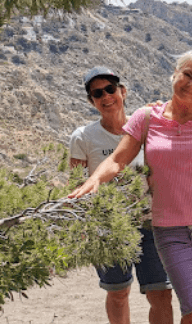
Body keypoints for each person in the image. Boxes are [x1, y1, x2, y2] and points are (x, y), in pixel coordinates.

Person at [69, 49, 192, 324]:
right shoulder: (145, 119)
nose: (191, 85)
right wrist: (94, 179)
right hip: (170, 230)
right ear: (175, 75)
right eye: (187, 75)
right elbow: (118, 158)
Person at [69, 67, 174, 324]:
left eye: (110, 89)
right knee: (118, 293)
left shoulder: (149, 127)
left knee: (160, 293)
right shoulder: (83, 137)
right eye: (97, 93)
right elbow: (76, 184)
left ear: (123, 91)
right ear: (92, 101)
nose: (106, 97)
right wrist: (81, 226)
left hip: (151, 222)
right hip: (108, 228)